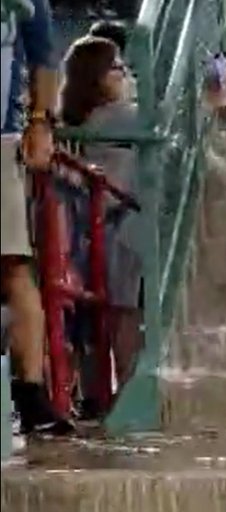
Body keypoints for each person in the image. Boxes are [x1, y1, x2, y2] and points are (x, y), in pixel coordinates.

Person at [2, 0, 74, 434]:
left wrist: (41, 122)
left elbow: (44, 53)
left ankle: (30, 394)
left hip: (2, 138)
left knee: (12, 263)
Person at [60, 35, 142, 387]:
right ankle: (125, 387)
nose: (124, 74)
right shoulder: (113, 117)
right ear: (93, 76)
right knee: (126, 313)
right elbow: (168, 116)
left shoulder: (96, 119)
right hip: (118, 227)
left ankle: (110, 388)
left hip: (106, 226)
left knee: (121, 314)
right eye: (115, 67)